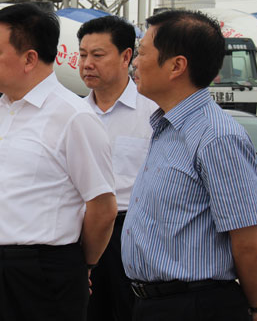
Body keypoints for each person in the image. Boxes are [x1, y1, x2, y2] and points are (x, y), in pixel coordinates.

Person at [0, 3, 118, 321]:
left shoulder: (73, 117)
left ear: (30, 58)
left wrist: (81, 264)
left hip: (38, 277)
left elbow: (103, 207)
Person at [122, 9, 257, 321]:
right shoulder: (167, 128)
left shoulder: (217, 136)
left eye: (142, 52)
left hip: (196, 306)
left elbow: (251, 244)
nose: (134, 62)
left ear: (176, 66)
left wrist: (256, 308)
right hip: (151, 304)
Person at [77, 16, 158, 321]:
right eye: (83, 55)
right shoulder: (73, 114)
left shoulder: (153, 113)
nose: (87, 64)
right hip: (82, 231)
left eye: (97, 55)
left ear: (126, 57)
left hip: (132, 233)